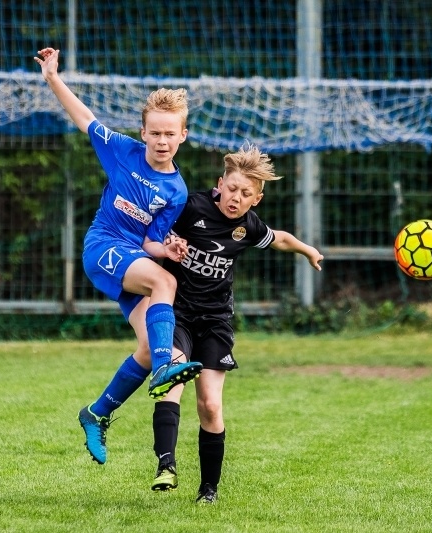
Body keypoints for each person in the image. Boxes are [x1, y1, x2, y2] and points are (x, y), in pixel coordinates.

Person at [34, 47, 203, 464]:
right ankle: (166, 369)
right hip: (103, 247)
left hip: (133, 257)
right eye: (155, 133)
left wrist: (169, 248)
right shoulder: (121, 151)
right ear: (143, 132)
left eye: (170, 134)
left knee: (148, 345)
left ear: (183, 135)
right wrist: (53, 77)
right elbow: (82, 115)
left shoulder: (177, 192)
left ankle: (96, 413)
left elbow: (150, 242)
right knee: (166, 283)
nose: (162, 141)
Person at [151, 145, 324, 503]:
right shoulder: (192, 207)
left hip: (215, 321)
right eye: (232, 188)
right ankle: (166, 465)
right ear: (220, 184)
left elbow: (281, 239)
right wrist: (169, 242)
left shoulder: (248, 226)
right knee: (172, 380)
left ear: (256, 199)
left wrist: (309, 250)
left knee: (210, 405)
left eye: (246, 193)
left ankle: (208, 490)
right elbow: (155, 233)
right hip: (178, 312)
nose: (236, 197)